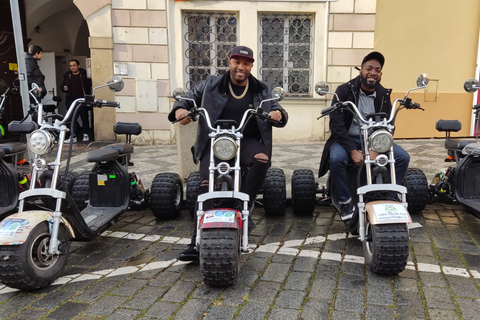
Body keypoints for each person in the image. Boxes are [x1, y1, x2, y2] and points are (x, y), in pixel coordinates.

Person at [169, 45, 288, 261]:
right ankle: (195, 244)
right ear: (229, 63)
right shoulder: (210, 84)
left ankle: (243, 204)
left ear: (251, 65)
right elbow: (188, 99)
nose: (240, 67)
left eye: (246, 63)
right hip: (213, 139)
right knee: (205, 187)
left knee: (262, 159)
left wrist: (277, 114)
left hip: (246, 139)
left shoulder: (261, 89)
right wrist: (180, 109)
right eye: (237, 62)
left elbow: (276, 107)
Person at [318, 51, 410, 225]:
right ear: (361, 70)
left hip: (374, 140)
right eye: (369, 68)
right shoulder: (344, 90)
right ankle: (345, 201)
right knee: (336, 158)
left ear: (380, 74)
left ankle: (390, 198)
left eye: (377, 70)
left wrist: (376, 149)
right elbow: (336, 125)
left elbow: (388, 124)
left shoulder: (383, 93)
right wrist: (352, 150)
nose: (373, 73)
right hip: (347, 139)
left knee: (402, 157)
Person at [62, 59, 92, 143]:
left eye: (74, 65)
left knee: (84, 117)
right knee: (72, 118)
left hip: (82, 100)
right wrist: (64, 88)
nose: (72, 67)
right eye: (71, 66)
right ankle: (73, 136)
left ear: (78, 66)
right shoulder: (67, 75)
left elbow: (89, 85)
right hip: (71, 100)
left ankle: (85, 134)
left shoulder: (84, 74)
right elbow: (63, 86)